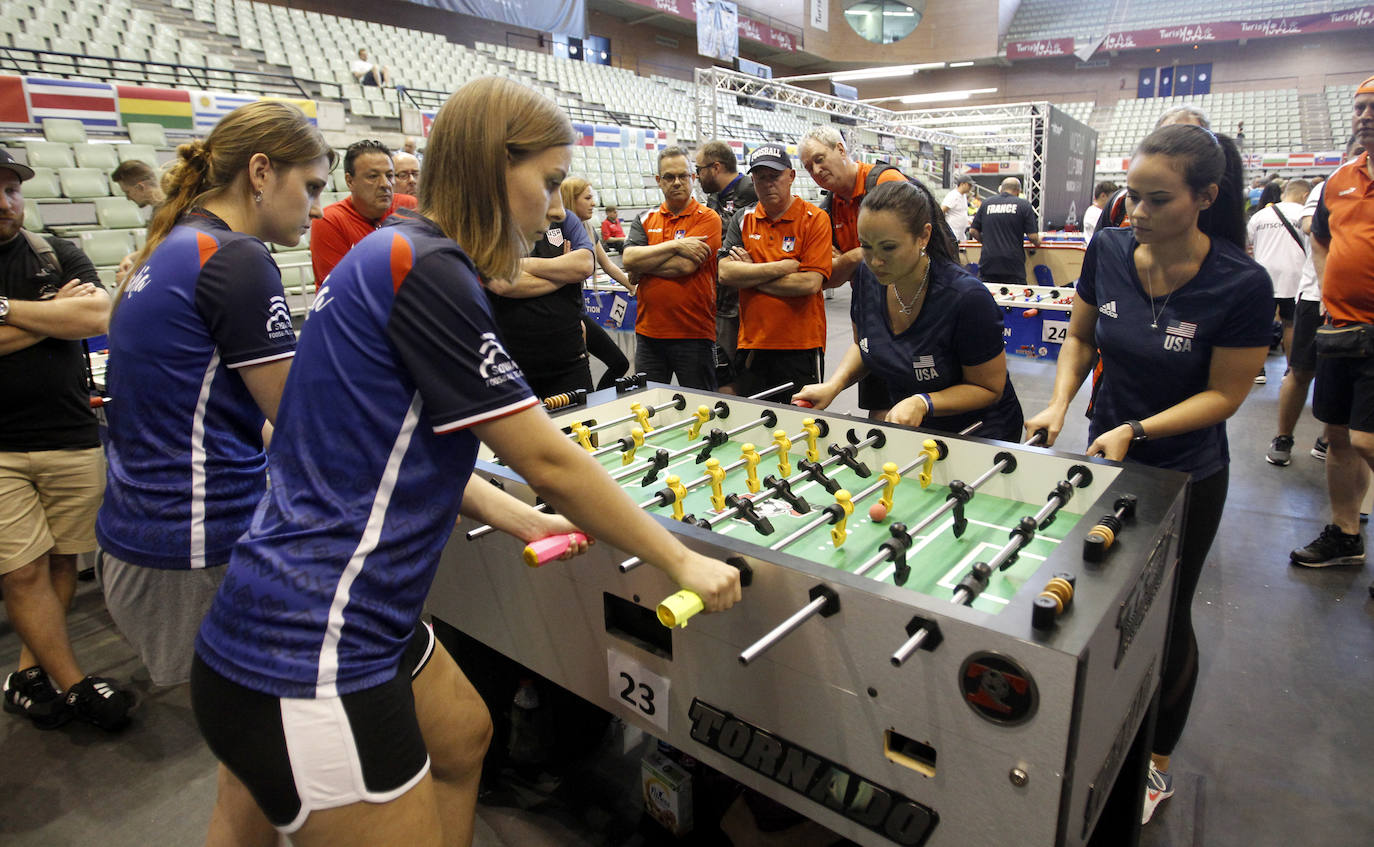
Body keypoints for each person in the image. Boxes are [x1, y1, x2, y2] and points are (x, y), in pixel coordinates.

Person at [190, 76, 740, 847]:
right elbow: (549, 458)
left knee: (463, 736)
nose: (554, 208)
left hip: (308, 613)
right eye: (546, 182)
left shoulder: (391, 251)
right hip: (316, 641)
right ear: (492, 163)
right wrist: (681, 560)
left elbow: (379, 442)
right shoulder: (430, 268)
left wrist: (515, 513)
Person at [1023, 124, 1271, 826]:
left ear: (1205, 197)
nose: (1136, 212)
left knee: (1165, 618)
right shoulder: (1106, 251)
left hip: (1185, 471)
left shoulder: (1240, 283)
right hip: (1106, 458)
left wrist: (1141, 429)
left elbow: (1225, 395)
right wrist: (1060, 403)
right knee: (1093, 600)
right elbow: (1079, 335)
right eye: (1130, 195)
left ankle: (1155, 762)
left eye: (1156, 199)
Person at [95, 102, 332, 693]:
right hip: (197, 544)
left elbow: (234, 414)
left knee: (244, 746)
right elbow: (312, 424)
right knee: (267, 742)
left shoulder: (168, 247)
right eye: (309, 187)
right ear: (260, 173)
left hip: (141, 536)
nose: (317, 207)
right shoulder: (234, 258)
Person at [0, 150, 131, 731]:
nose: (5, 203)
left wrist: (7, 311)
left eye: (11, 190)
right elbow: (72, 318)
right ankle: (77, 685)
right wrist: (50, 313)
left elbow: (98, 317)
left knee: (59, 562)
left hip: (68, 432)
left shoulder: (55, 249)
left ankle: (29, 674)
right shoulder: (54, 273)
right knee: (21, 570)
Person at [793, 180, 1024, 441]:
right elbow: (864, 345)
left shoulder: (967, 299)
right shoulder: (867, 279)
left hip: (979, 435)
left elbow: (987, 387)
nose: (876, 261)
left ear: (923, 236)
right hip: (915, 432)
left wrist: (924, 402)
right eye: (866, 247)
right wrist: (834, 386)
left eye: (889, 248)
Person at [1289, 76, 1374, 570]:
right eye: (1359, 107)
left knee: (1367, 439)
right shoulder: (1340, 180)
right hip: (1341, 327)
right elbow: (1320, 238)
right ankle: (1347, 534)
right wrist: (1328, 289)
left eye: (1373, 108)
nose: (1363, 115)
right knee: (1338, 437)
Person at [799, 126, 911, 418]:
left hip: (912, 313)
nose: (816, 170)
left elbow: (900, 248)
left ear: (840, 149)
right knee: (880, 413)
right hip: (871, 316)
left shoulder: (885, 180)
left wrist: (848, 257)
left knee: (915, 411)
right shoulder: (829, 210)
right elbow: (829, 278)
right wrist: (864, 254)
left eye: (820, 158)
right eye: (809, 167)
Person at [1276, 137, 1365, 466]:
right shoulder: (1332, 185)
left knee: (1350, 383)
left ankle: (1329, 438)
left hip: (1362, 309)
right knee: (1301, 371)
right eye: (1358, 153)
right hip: (1318, 299)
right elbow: (1311, 226)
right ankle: (1283, 436)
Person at [718, 144, 831, 402]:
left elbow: (809, 283)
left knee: (803, 427)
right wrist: (783, 266)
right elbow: (725, 273)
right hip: (753, 346)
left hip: (801, 346)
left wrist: (749, 275)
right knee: (756, 426)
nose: (768, 184)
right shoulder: (742, 219)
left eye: (774, 176)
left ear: (790, 177)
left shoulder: (815, 218)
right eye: (760, 178)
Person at [485, 176, 595, 399]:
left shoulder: (566, 220)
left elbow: (584, 265)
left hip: (570, 362)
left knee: (582, 433)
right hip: (513, 367)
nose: (558, 209)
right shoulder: (495, 222)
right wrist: (563, 274)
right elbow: (501, 282)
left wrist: (522, 265)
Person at [622, 147, 721, 390]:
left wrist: (644, 265)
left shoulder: (708, 218)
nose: (676, 182)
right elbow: (629, 259)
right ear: (659, 181)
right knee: (647, 410)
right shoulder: (645, 219)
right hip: (649, 336)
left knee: (702, 411)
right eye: (669, 177)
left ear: (693, 178)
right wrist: (676, 245)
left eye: (683, 176)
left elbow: (684, 266)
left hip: (694, 335)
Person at [694, 139, 757, 391]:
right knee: (724, 375)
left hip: (749, 305)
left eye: (699, 170)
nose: (697, 176)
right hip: (721, 305)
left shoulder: (751, 190)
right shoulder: (714, 200)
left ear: (715, 167)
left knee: (749, 378)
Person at [561, 176, 633, 391]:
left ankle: (596, 402)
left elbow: (609, 265)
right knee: (580, 379)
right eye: (588, 197)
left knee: (620, 363)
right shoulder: (558, 233)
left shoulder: (588, 229)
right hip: (567, 317)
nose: (594, 203)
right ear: (571, 200)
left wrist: (633, 285)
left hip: (578, 312)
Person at [310, 139, 416, 282]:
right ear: (349, 181)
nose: (385, 184)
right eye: (373, 176)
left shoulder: (410, 206)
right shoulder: (330, 221)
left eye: (389, 175)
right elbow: (340, 290)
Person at [1249, 178, 1309, 392]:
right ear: (1304, 195)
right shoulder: (1304, 215)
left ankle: (1258, 371)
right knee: (1290, 324)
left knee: (1260, 324)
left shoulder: (1260, 215)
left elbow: (1248, 243)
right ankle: (1290, 370)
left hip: (1262, 276)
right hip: (1295, 276)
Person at [969, 177, 1041, 285]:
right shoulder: (1023, 205)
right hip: (1013, 263)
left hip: (988, 261)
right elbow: (1033, 237)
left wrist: (986, 242)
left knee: (990, 297)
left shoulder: (986, 203)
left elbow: (973, 231)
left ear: (1001, 189)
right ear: (1018, 191)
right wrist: (1039, 242)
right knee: (1015, 298)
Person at [940, 174, 974, 241]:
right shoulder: (953, 195)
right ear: (962, 184)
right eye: (969, 185)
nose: (970, 187)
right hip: (953, 232)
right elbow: (942, 210)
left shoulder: (963, 196)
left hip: (960, 233)